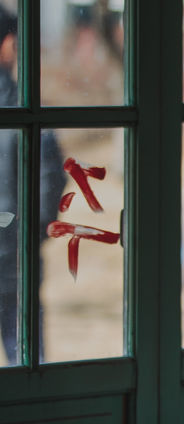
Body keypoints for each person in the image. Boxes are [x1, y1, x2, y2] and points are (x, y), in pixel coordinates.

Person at [0, 9, 65, 366]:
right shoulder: (26, 106)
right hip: (15, 259)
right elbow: (50, 179)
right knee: (27, 366)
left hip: (15, 254)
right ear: (9, 45)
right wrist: (31, 233)